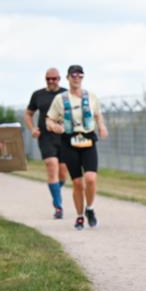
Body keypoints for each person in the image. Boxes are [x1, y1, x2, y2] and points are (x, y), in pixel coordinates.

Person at [45, 65, 108, 231]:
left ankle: (90, 209)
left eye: (80, 75)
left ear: (83, 77)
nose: (77, 78)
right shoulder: (60, 99)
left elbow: (98, 115)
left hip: (88, 140)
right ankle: (80, 216)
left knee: (91, 178)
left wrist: (102, 126)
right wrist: (53, 127)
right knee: (78, 183)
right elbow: (49, 120)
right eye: (73, 75)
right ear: (68, 77)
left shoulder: (91, 96)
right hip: (69, 142)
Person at [25, 68, 70, 218]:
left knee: (63, 174)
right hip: (45, 137)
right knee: (52, 166)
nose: (51, 81)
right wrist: (32, 128)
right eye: (48, 79)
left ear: (59, 79)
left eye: (54, 79)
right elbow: (28, 113)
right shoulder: (38, 95)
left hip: (64, 137)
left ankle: (55, 189)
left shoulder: (66, 94)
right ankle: (58, 207)